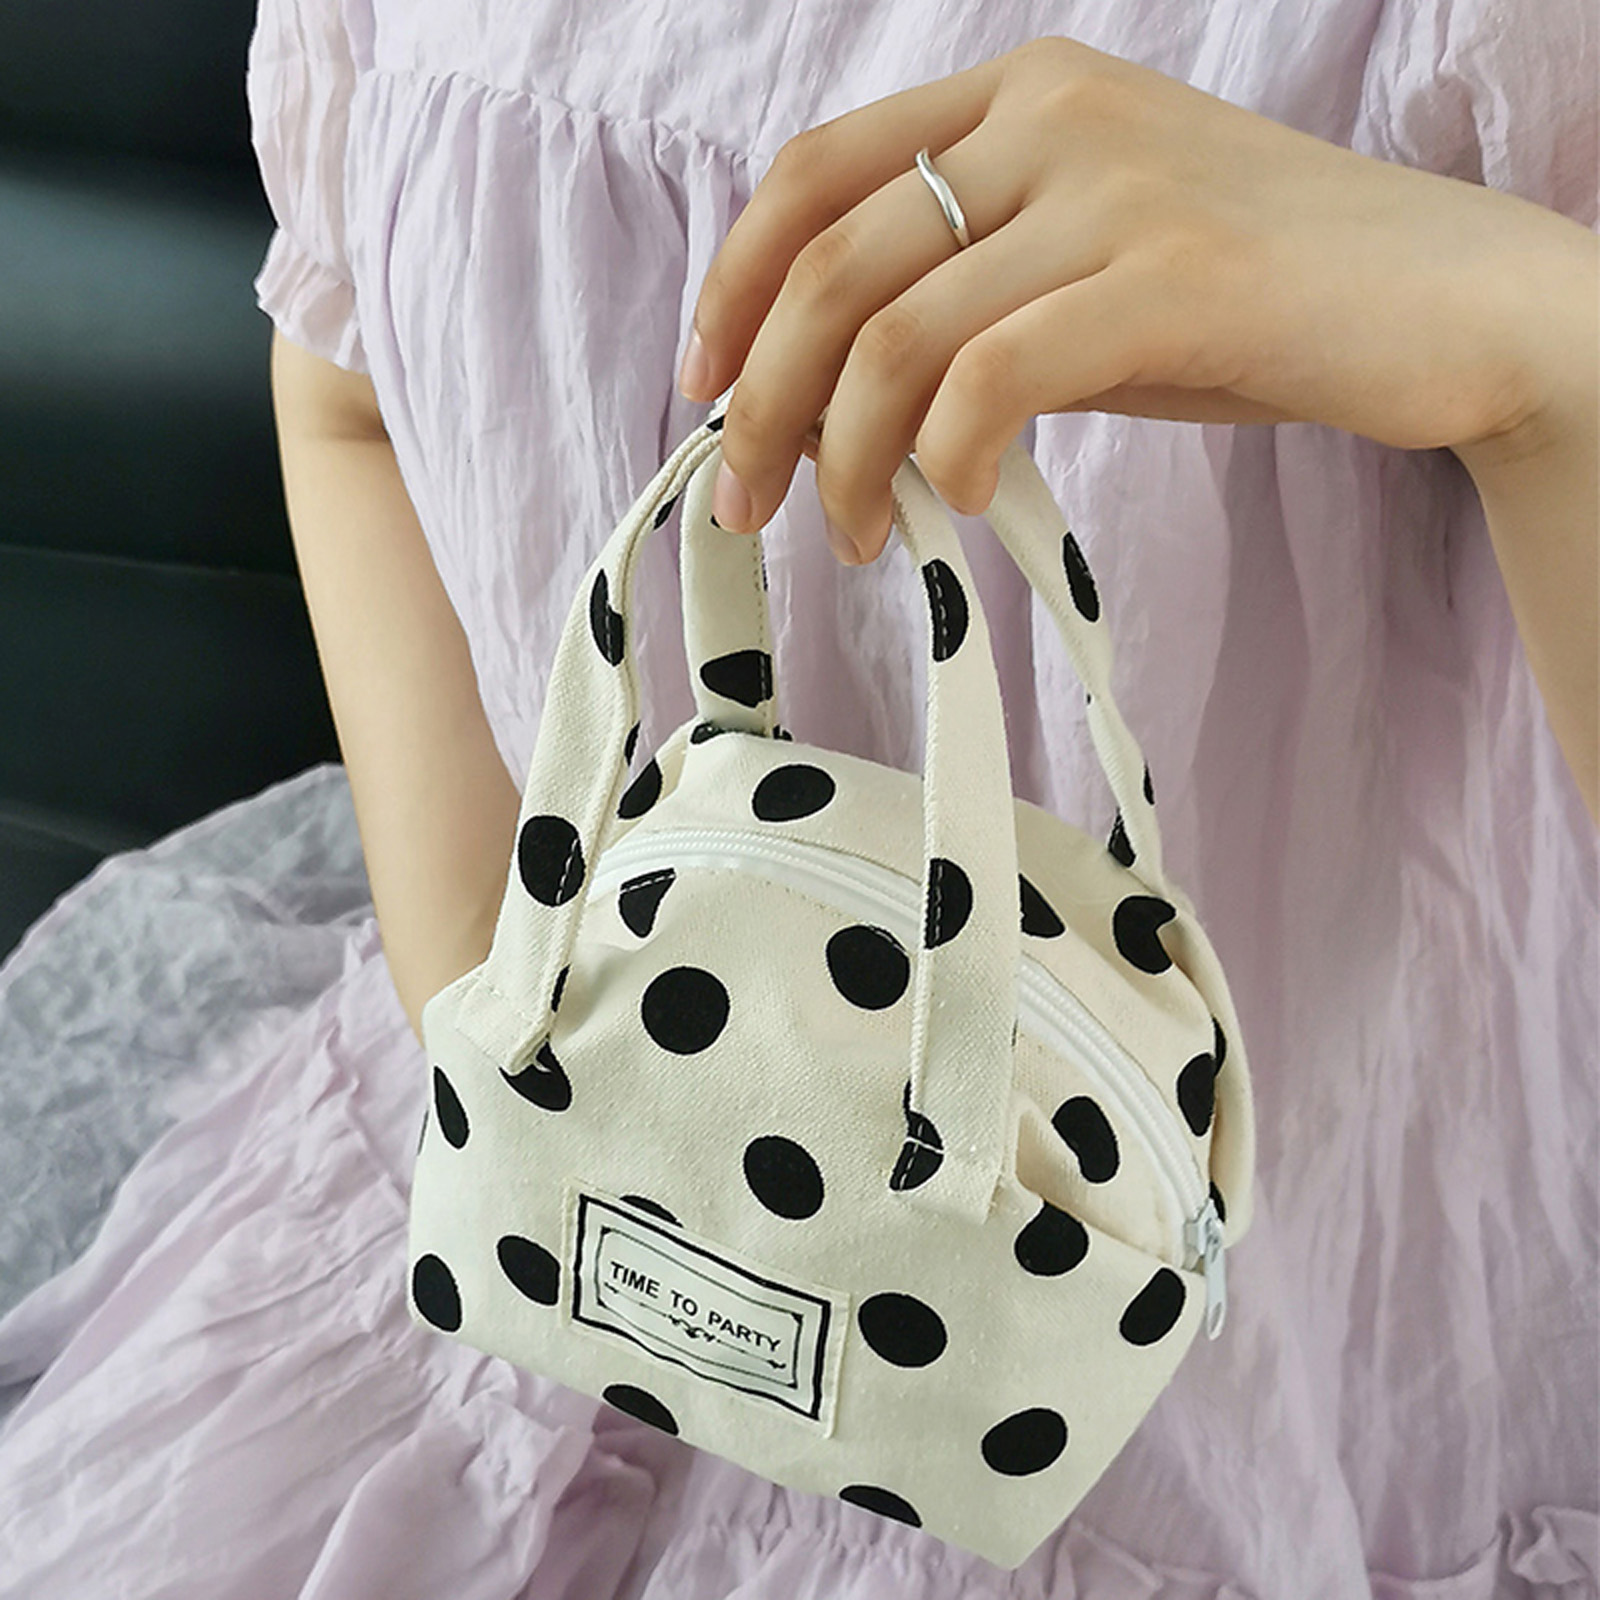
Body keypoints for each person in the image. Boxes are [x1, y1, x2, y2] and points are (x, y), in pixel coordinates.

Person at [0, 2, 1593, 1596]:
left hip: (1238, 1441)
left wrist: (1545, 357)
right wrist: (515, 1036)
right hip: (504, 1241)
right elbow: (348, 386)